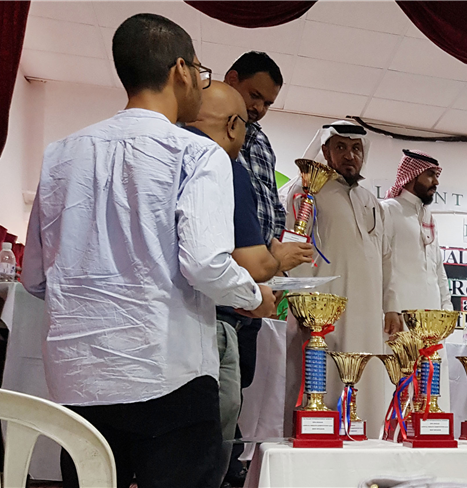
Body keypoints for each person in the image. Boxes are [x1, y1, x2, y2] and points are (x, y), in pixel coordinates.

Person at [22, 14, 276, 488]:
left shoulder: (61, 154)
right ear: (180, 70)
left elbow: (35, 277)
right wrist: (253, 296)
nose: (201, 84)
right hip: (168, 375)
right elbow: (205, 264)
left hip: (80, 380)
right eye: (200, 72)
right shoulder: (197, 152)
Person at [183, 81, 279, 481]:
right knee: (201, 454)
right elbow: (220, 263)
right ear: (234, 126)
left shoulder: (145, 155)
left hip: (101, 351)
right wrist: (255, 294)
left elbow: (37, 277)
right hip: (208, 322)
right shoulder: (219, 162)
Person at [223, 52, 311, 485]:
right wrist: (269, 258)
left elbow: (271, 210)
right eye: (253, 94)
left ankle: (225, 466)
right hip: (221, 282)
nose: (257, 107)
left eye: (267, 103)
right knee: (212, 393)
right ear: (230, 79)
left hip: (258, 283)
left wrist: (278, 253)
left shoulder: (259, 141)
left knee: (236, 383)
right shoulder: (207, 135)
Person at [279, 120, 390, 437]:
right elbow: (292, 249)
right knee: (321, 387)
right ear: (325, 151)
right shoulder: (306, 191)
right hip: (324, 320)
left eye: (356, 148)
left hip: (368, 319)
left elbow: (382, 260)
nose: (349, 155)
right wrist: (305, 308)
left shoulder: (371, 201)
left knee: (369, 387)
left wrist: (389, 308)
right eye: (340, 147)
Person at [382, 149, 453, 331]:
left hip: (433, 319)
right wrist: (391, 307)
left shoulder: (428, 216)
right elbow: (382, 263)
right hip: (400, 317)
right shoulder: (388, 210)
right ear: (412, 175)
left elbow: (438, 268)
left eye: (436, 175)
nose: (436, 182)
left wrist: (446, 306)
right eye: (430, 175)